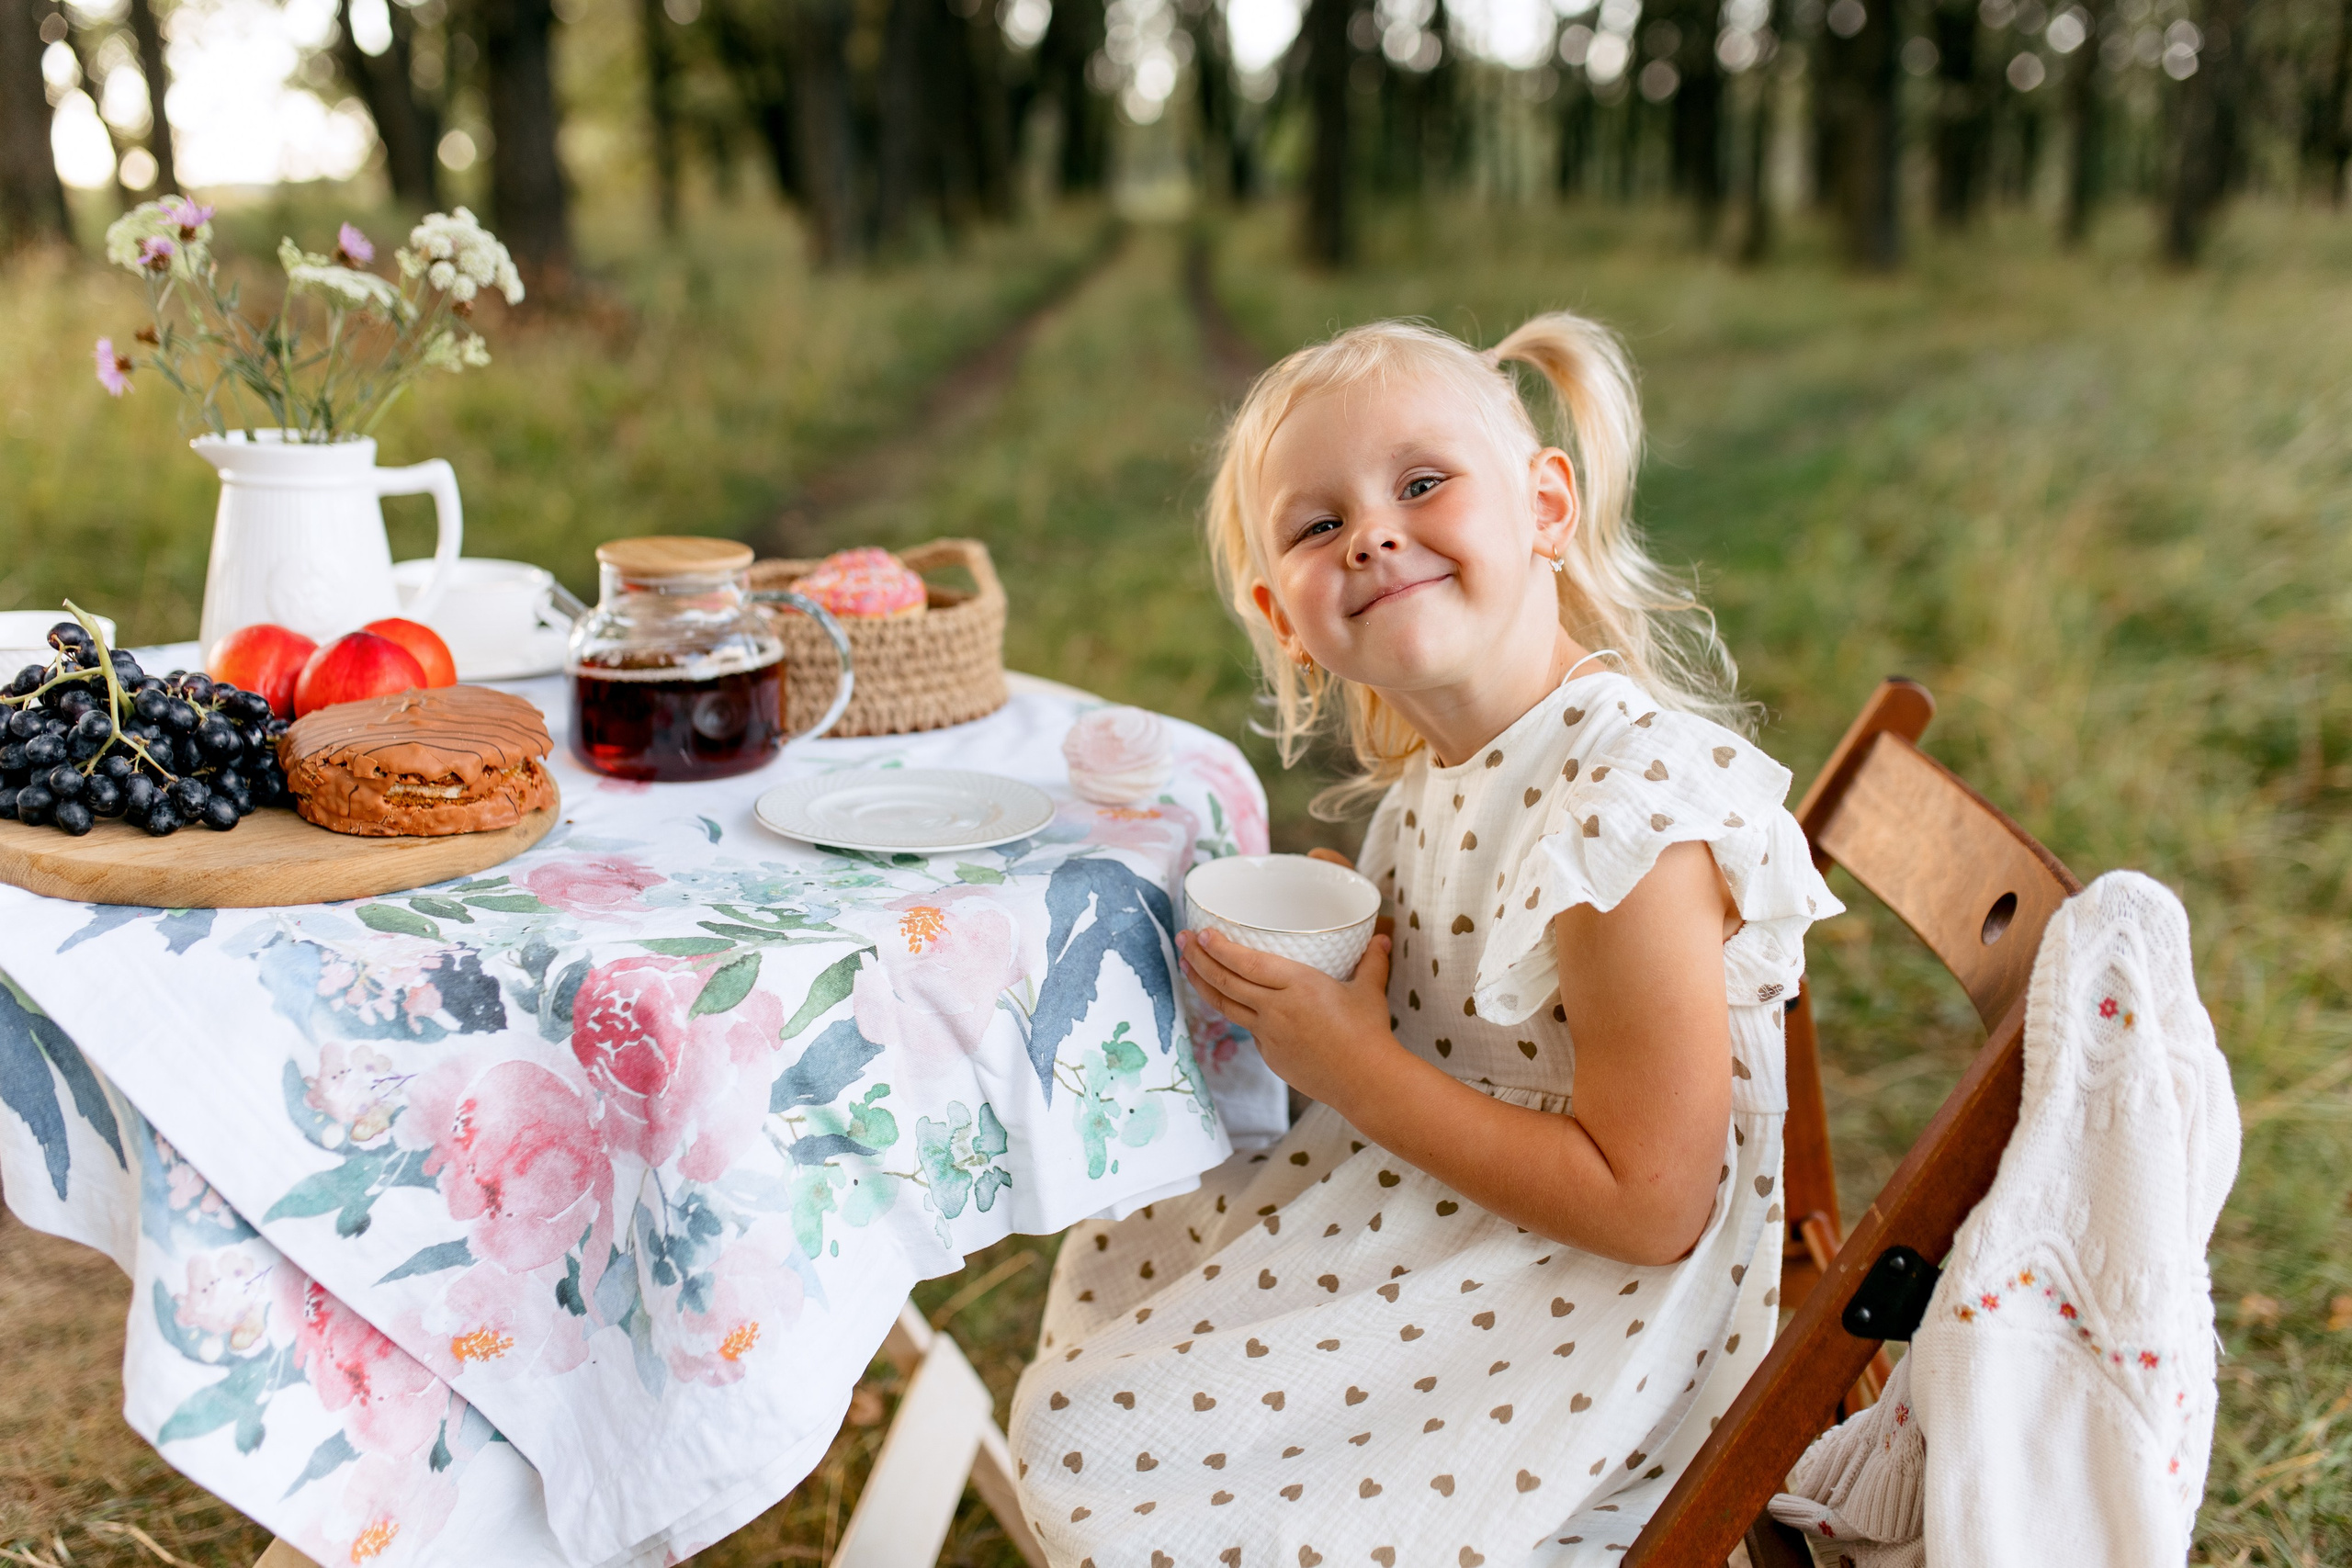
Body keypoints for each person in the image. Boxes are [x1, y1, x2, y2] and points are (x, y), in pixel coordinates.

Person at [1006, 314, 1843, 1565]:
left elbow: (1652, 1206)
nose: (1372, 535)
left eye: (1421, 484)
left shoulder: (1625, 816)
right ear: (1284, 617)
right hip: (1446, 1211)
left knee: (1097, 1446)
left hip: (1575, 1319)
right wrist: (1345, 964)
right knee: (1128, 1256)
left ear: (1545, 507)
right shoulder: (1444, 773)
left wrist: (1349, 1066)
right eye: (1317, 524)